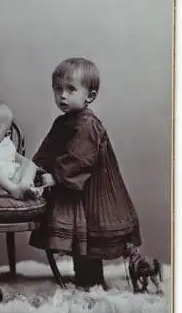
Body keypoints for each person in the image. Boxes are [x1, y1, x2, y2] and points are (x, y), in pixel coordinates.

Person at [29, 57, 141, 289]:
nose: (62, 95)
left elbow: (79, 158)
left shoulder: (88, 124)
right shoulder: (64, 121)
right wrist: (34, 168)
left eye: (70, 89)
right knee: (83, 235)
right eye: (57, 89)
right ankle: (85, 278)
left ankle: (92, 282)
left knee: (91, 232)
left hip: (93, 189)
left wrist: (56, 176)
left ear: (89, 96)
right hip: (78, 187)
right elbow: (49, 149)